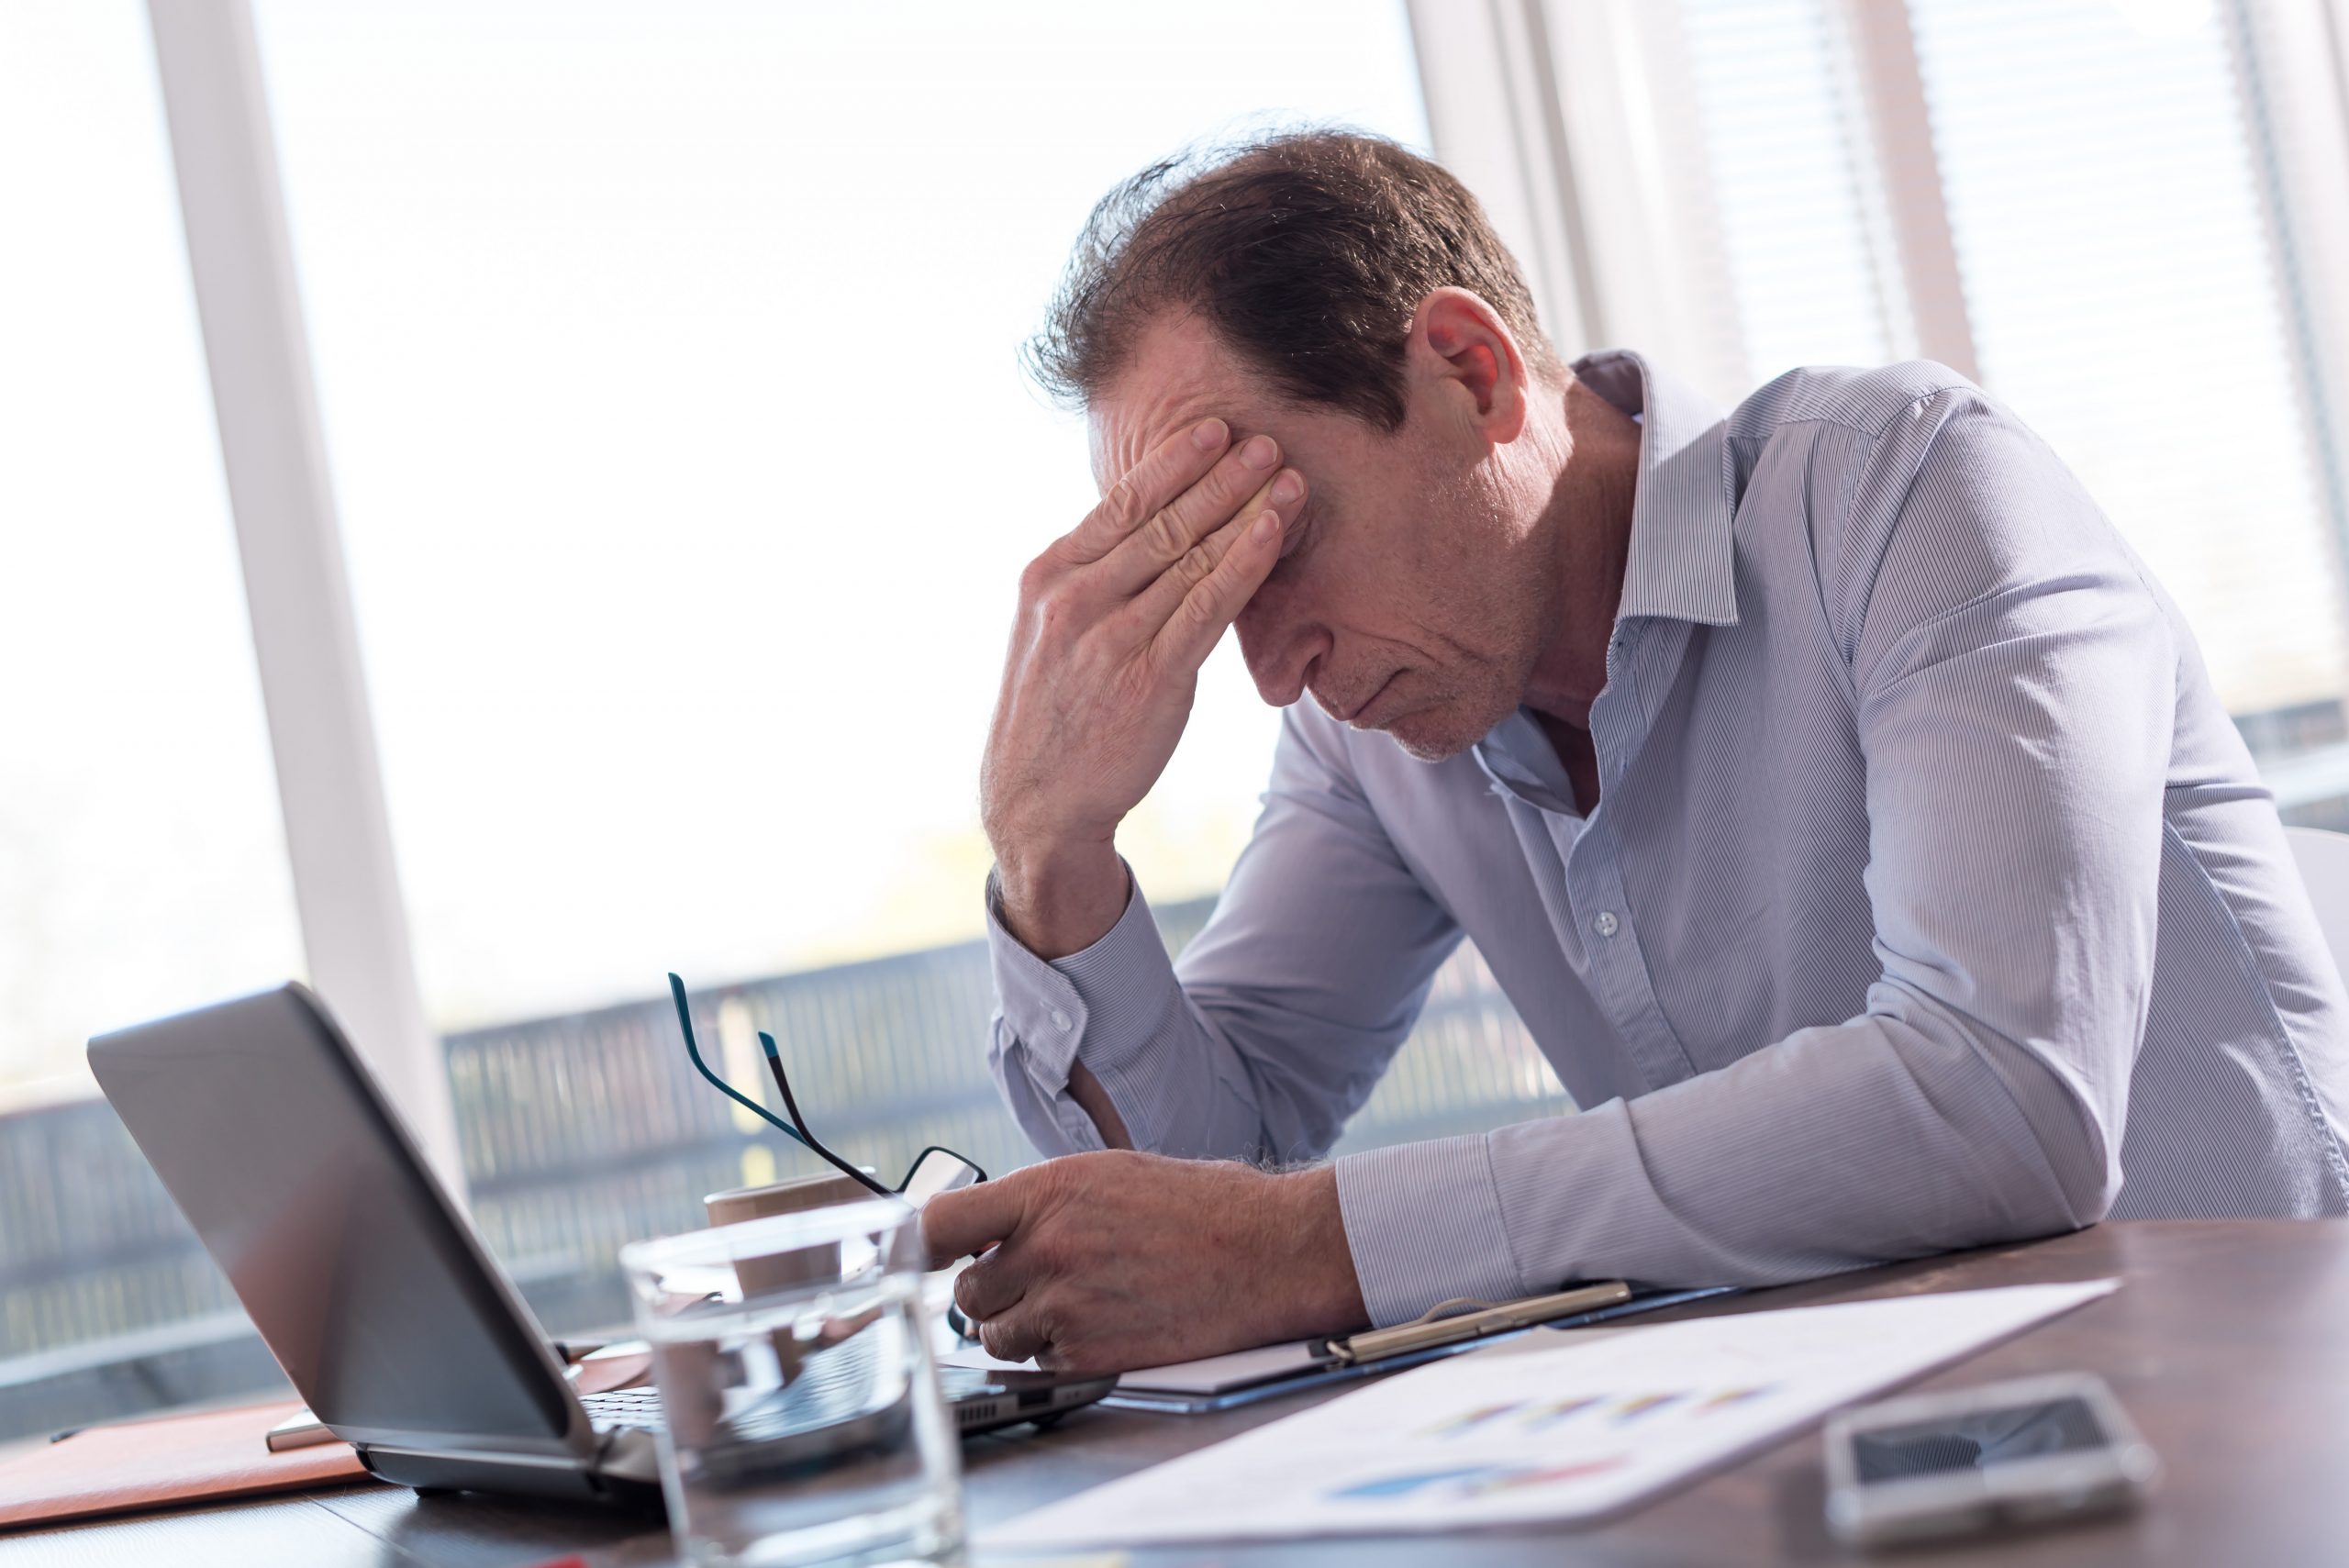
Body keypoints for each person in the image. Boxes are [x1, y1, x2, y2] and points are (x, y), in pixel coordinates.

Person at [918, 130, 2349, 1374]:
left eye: (1271, 541)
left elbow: (2000, 1097)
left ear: (1471, 372)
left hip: (2255, 1414)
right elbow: (1214, 1185)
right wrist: (1054, 849)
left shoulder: (1913, 490)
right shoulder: (1374, 736)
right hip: (1844, 1473)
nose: (1269, 664)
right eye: (1200, 583)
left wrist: (1325, 1244)